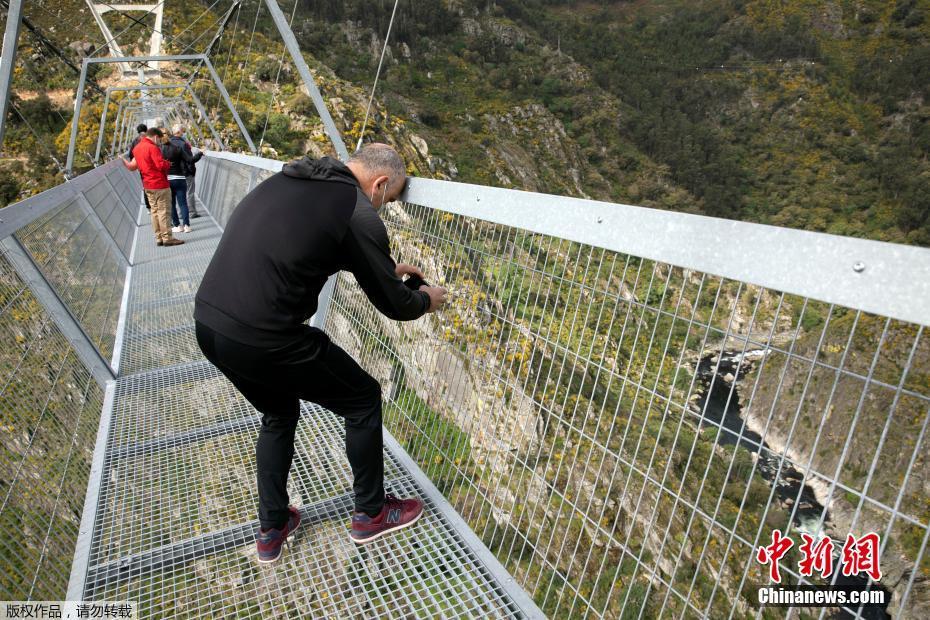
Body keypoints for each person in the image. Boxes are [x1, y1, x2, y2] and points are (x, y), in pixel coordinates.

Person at [194, 144, 448, 563]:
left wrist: (385, 268)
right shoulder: (356, 210)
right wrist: (426, 300)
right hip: (268, 336)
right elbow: (396, 307)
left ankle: (272, 527)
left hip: (211, 326)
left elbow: (305, 244)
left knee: (278, 412)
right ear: (380, 183)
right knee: (362, 397)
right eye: (390, 197)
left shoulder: (290, 180)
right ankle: (371, 513)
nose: (386, 206)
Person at [122, 127, 184, 247]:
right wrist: (167, 163)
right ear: (155, 137)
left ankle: (159, 238)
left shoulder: (137, 148)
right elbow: (160, 165)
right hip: (160, 184)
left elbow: (132, 167)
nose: (159, 142)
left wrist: (123, 160)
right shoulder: (152, 147)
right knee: (164, 211)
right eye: (159, 140)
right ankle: (167, 238)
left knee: (154, 212)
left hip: (147, 185)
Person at [166, 125, 201, 233]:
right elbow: (190, 160)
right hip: (181, 176)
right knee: (183, 202)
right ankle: (186, 225)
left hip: (168, 178)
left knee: (172, 203)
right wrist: (200, 153)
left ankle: (177, 225)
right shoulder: (182, 145)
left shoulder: (164, 146)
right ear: (180, 132)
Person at [125, 123, 151, 211]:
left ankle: (148, 207)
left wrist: (136, 162)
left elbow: (131, 155)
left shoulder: (135, 141)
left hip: (141, 167)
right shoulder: (150, 139)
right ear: (146, 130)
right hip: (151, 165)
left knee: (145, 185)